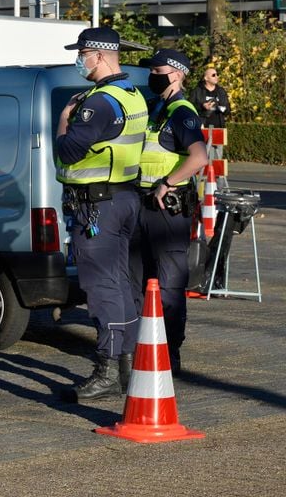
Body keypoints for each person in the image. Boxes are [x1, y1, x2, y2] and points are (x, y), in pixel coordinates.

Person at [55, 27, 148, 402]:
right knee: (121, 284)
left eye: (82, 54)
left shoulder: (98, 103)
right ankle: (126, 367)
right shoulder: (130, 95)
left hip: (98, 208)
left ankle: (107, 370)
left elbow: (69, 151)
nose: (79, 60)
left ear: (98, 55)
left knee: (102, 287)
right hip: (122, 198)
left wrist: (65, 116)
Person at [130, 49, 209, 375]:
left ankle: (170, 356)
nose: (153, 75)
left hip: (168, 211)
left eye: (158, 70)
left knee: (169, 285)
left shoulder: (182, 112)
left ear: (177, 73)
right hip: (142, 207)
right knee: (136, 282)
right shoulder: (153, 108)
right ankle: (142, 350)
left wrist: (167, 182)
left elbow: (199, 157)